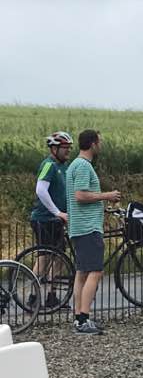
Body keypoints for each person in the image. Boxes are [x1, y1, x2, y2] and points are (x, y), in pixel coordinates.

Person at [65, 130, 122, 335]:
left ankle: (79, 316)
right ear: (92, 144)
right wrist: (107, 195)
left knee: (82, 273)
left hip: (79, 226)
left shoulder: (75, 165)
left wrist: (101, 205)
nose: (101, 144)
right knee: (95, 271)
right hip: (88, 227)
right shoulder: (82, 166)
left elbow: (81, 198)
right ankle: (84, 318)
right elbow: (80, 195)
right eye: (100, 141)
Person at [29, 132, 73, 309]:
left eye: (70, 148)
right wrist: (56, 212)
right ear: (54, 149)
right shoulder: (49, 165)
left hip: (57, 220)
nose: (68, 152)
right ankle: (33, 298)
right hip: (44, 219)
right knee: (44, 257)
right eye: (65, 148)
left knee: (60, 257)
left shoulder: (64, 166)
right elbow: (41, 190)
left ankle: (52, 296)